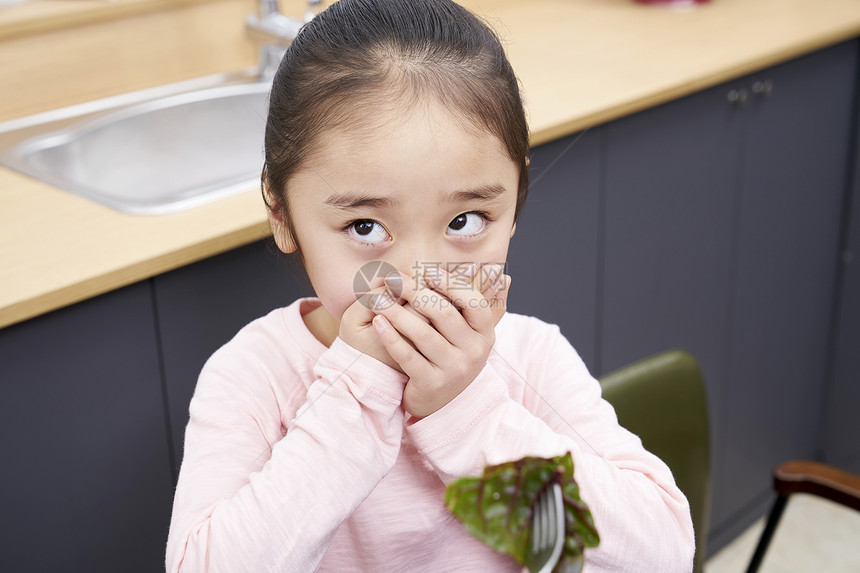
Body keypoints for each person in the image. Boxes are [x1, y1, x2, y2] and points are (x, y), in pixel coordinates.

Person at [165, 0, 695, 571]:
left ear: (514, 202)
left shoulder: (530, 358)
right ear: (282, 213)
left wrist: (471, 416)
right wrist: (357, 395)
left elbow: (661, 551)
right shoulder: (254, 376)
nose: (418, 280)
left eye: (465, 221)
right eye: (365, 227)